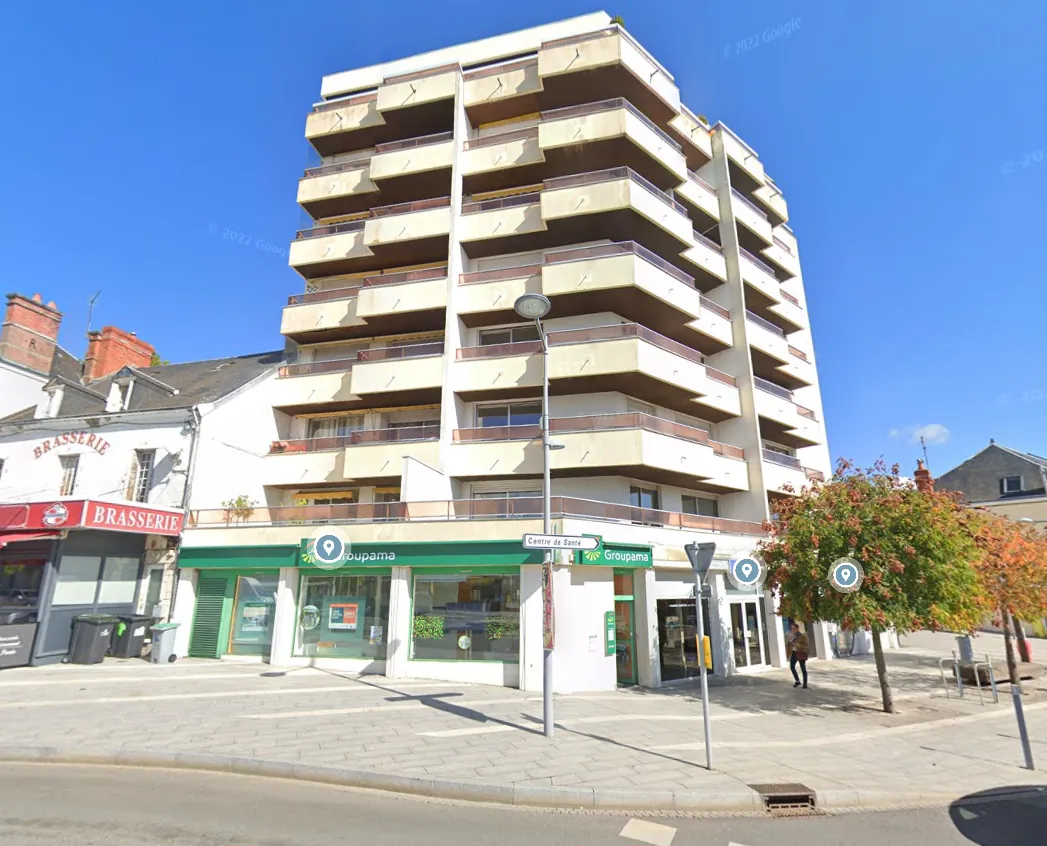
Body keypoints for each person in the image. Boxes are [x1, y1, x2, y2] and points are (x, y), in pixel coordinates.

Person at [787, 622, 809, 689]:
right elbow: (790, 644)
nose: (792, 630)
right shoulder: (793, 636)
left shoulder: (803, 636)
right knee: (792, 666)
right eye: (791, 629)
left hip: (800, 653)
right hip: (794, 653)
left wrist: (797, 645)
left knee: (803, 669)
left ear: (797, 629)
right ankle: (797, 680)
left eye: (793, 628)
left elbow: (806, 645)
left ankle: (805, 683)